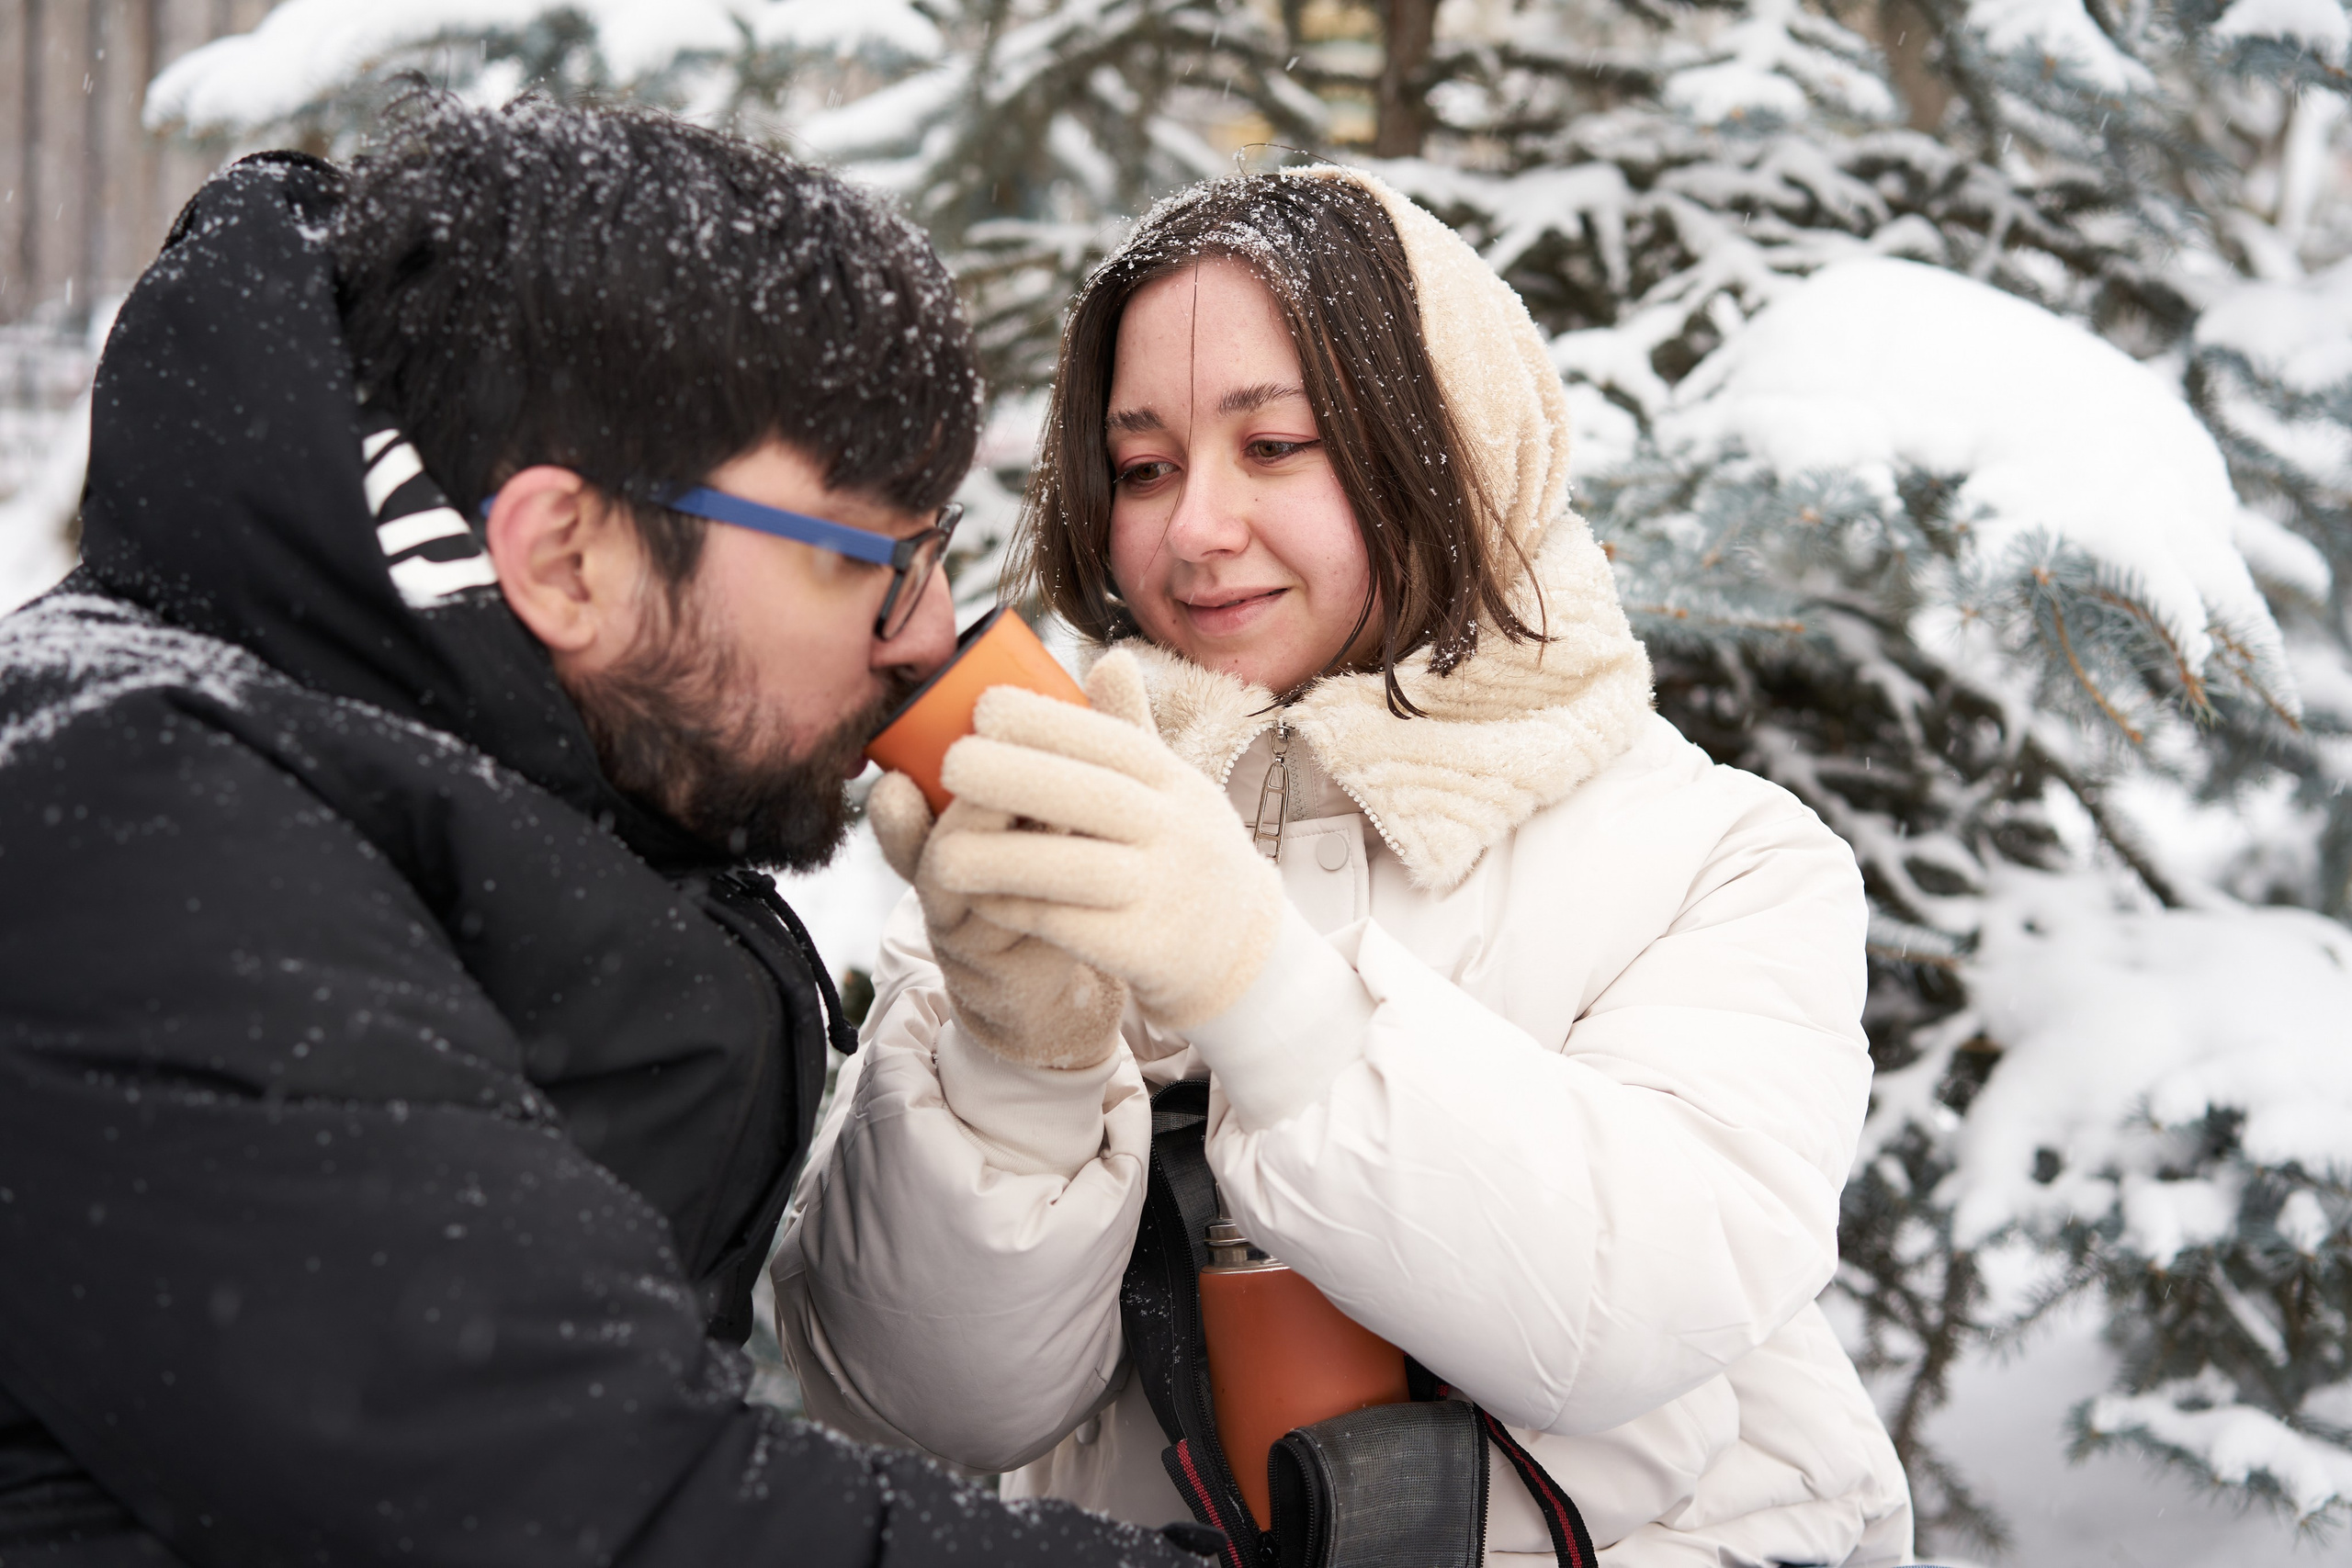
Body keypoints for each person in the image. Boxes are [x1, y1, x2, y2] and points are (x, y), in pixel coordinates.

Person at [0, 97, 1212, 1567]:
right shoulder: (126, 827)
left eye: (941, 551)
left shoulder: (506, 748)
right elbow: (603, 1507)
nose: (928, 638)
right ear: (566, 555)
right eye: (871, 561)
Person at [775, 168, 1917, 1566]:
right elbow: (928, 1404)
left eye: (1275, 445)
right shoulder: (1061, 828)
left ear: (1453, 444)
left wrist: (1260, 987)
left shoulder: (1722, 860)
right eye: (1142, 468)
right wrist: (1021, 1060)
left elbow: (1629, 1312)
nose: (1194, 530)